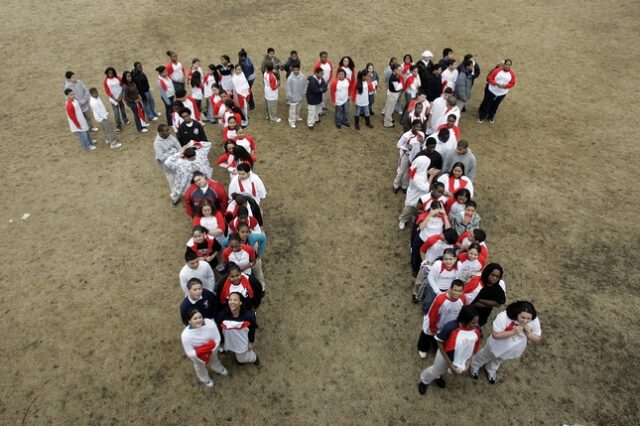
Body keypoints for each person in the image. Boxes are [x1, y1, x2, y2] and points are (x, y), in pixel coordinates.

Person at [471, 301, 542, 384]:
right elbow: (495, 335)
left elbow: (537, 338)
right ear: (516, 313)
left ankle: (490, 369)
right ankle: (475, 365)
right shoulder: (504, 317)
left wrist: (529, 334)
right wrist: (513, 332)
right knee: (486, 354)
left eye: (528, 319)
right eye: (522, 317)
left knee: (499, 359)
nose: (525, 321)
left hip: (514, 347)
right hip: (497, 343)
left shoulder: (534, 320)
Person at [417, 306, 481, 395]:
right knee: (435, 369)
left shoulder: (476, 331)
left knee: (442, 370)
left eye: (477, 322)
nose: (476, 325)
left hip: (457, 358)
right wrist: (449, 363)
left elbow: (472, 348)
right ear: (465, 320)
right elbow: (439, 342)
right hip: (445, 355)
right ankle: (424, 380)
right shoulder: (450, 327)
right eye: (473, 322)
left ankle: (438, 376)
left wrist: (468, 363)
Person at [417, 280, 466, 358]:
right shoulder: (441, 299)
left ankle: (435, 347)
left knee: (441, 338)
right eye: (455, 290)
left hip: (447, 325)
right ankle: (423, 348)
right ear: (450, 289)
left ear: (463, 291)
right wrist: (433, 329)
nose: (457, 293)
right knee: (427, 335)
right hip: (435, 324)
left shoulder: (462, 299)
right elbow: (432, 315)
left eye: (459, 291)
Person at [181, 309, 228, 388]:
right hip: (198, 356)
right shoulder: (185, 335)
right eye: (195, 318)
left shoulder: (210, 323)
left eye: (200, 317)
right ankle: (204, 378)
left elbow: (217, 338)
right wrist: (203, 350)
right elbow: (189, 352)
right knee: (200, 366)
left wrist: (211, 349)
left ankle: (217, 367)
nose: (199, 320)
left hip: (212, 350)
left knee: (214, 359)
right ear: (189, 321)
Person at [216, 292, 261, 367]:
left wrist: (251, 341)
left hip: (242, 340)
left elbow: (252, 329)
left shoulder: (248, 317)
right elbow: (219, 329)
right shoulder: (222, 316)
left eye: (235, 300)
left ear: (240, 302)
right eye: (230, 300)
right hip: (229, 340)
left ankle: (254, 359)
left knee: (242, 356)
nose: (232, 302)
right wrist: (222, 341)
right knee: (236, 352)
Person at [398, 166, 441, 230]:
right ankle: (403, 220)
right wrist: (431, 176)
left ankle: (414, 216)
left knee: (417, 209)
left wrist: (428, 172)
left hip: (420, 197)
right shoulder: (415, 176)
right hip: (414, 197)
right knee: (409, 209)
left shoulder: (421, 173)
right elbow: (426, 188)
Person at [478, 59, 516, 124]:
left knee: (495, 106)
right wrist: (495, 83)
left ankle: (491, 117)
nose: (507, 66)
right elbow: (490, 78)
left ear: (511, 66)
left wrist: (505, 86)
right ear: (504, 65)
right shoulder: (497, 71)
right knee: (487, 104)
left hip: (501, 93)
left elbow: (512, 84)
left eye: (509, 65)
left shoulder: (512, 74)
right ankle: (482, 116)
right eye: (506, 64)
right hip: (492, 91)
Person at [393, 120, 425, 193]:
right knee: (401, 172)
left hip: (415, 158)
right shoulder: (406, 135)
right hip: (406, 156)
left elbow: (422, 146)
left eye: (419, 127)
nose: (418, 129)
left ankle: (404, 185)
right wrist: (406, 147)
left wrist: (422, 142)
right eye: (416, 126)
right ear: (412, 126)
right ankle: (396, 185)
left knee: (408, 172)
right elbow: (398, 145)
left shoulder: (421, 134)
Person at [153, 124, 182, 205]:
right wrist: (173, 151)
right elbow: (161, 157)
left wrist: (173, 152)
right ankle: (175, 198)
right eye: (166, 131)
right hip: (168, 167)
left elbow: (179, 148)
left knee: (181, 177)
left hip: (177, 162)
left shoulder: (171, 137)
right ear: (160, 132)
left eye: (168, 129)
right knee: (172, 182)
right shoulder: (157, 143)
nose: (169, 132)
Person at [103, 67, 129, 131]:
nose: (110, 74)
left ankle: (125, 120)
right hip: (113, 99)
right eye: (109, 73)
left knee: (122, 110)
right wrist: (114, 98)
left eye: (112, 73)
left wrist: (121, 96)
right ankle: (118, 126)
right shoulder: (105, 81)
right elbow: (107, 91)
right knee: (116, 113)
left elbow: (123, 86)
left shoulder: (118, 78)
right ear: (107, 73)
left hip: (120, 97)